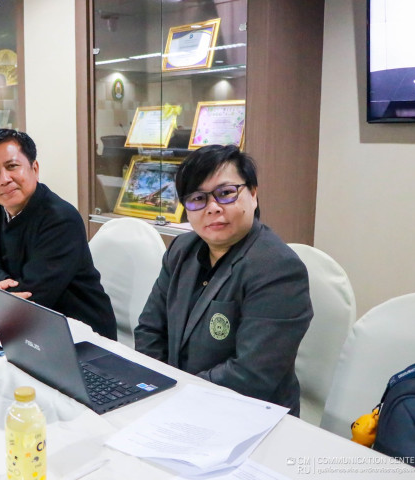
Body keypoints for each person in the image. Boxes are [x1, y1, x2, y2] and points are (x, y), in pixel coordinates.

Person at [134, 144, 312, 415]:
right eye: (198, 198)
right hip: (176, 404)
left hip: (245, 415)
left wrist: (177, 396)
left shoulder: (278, 269)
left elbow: (251, 375)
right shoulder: (181, 250)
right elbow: (149, 330)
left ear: (253, 194)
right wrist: (157, 389)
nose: (213, 208)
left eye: (226, 193)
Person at [0, 129, 117, 340]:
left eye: (12, 166)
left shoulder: (61, 219)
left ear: (34, 169)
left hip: (79, 335)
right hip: (17, 330)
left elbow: (29, 302)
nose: (4, 179)